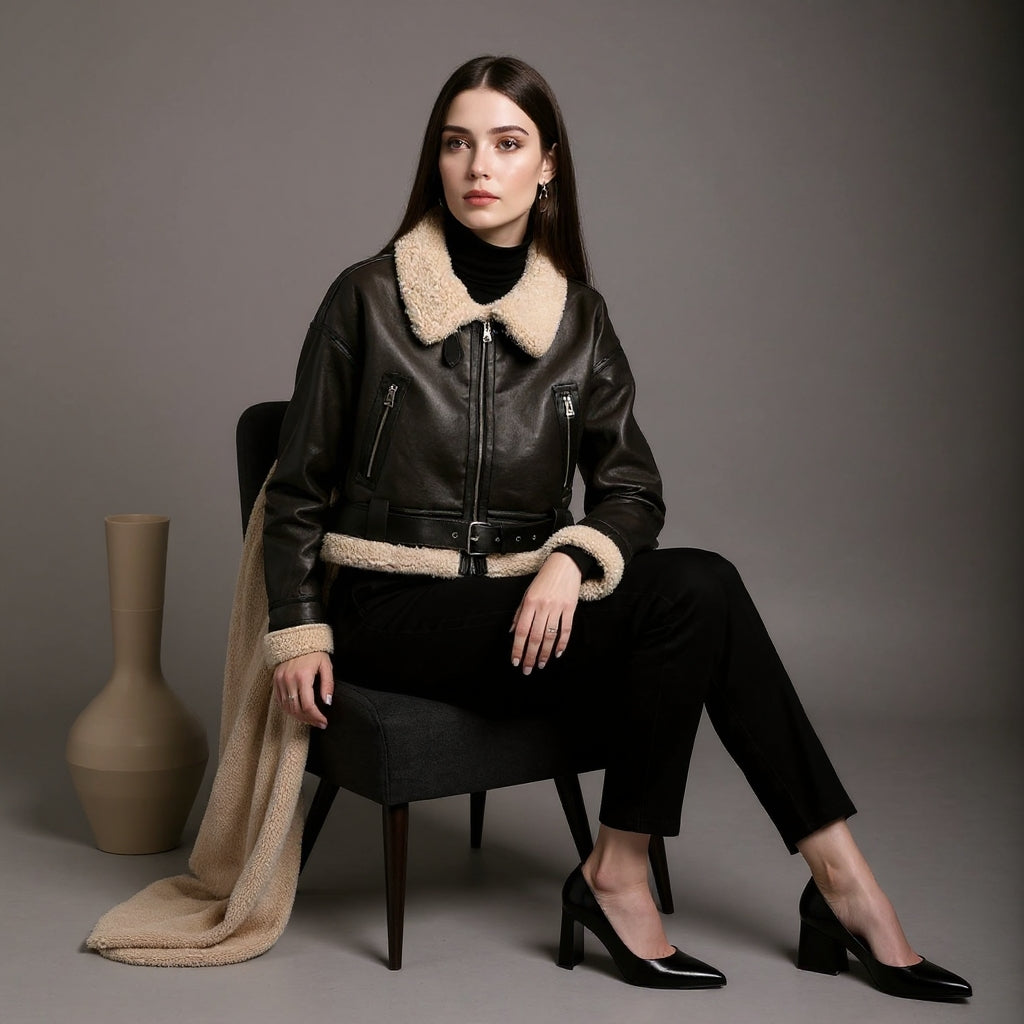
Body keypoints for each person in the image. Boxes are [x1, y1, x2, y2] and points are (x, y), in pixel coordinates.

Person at [261, 55, 971, 1000]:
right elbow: (296, 488)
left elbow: (631, 489)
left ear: (547, 165)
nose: (480, 166)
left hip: (519, 600)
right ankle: (785, 891)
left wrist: (570, 560)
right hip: (393, 604)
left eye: (507, 143)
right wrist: (299, 628)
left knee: (702, 586)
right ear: (437, 160)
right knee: (694, 601)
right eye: (458, 143)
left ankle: (801, 876)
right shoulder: (366, 297)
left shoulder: (579, 320)